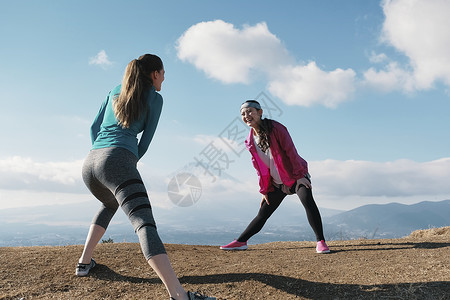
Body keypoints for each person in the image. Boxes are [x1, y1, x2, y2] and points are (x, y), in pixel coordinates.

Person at [76, 54, 216, 300]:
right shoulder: (155, 98)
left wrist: (102, 157)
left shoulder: (114, 91)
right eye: (163, 73)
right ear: (154, 74)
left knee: (109, 203)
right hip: (118, 161)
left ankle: (84, 263)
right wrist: (124, 161)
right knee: (144, 223)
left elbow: (92, 128)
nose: (164, 78)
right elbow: (145, 141)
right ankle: (180, 296)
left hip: (90, 163)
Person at [220, 100, 330, 254]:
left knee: (308, 201)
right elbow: (259, 167)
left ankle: (321, 242)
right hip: (277, 182)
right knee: (263, 213)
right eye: (243, 114)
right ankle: (241, 241)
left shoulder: (276, 128)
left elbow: (291, 151)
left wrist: (299, 176)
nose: (246, 116)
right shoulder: (249, 140)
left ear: (260, 112)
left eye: (250, 111)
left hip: (295, 176)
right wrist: (265, 189)